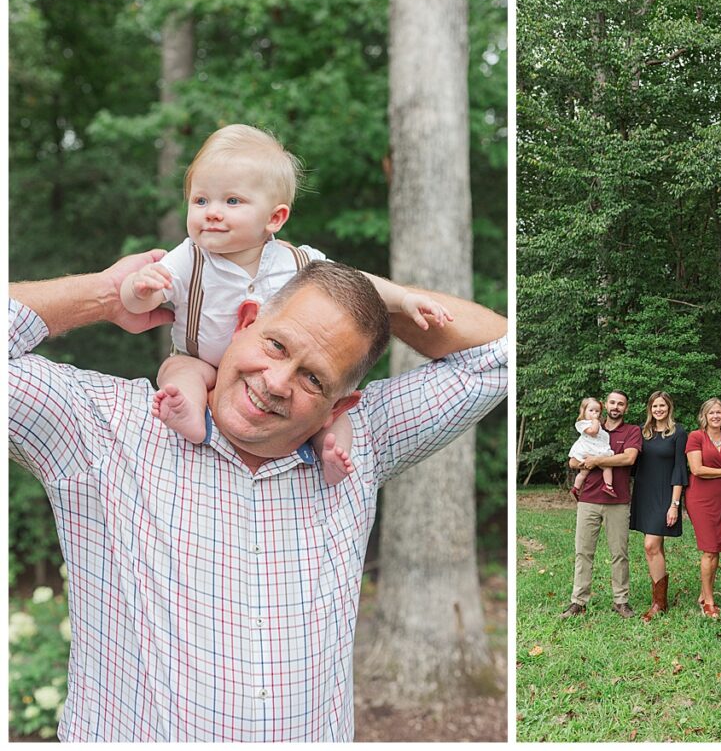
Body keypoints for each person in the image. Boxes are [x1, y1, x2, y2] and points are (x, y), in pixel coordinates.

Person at [9, 253, 508, 742]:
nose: (275, 383)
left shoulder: (359, 443)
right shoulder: (104, 427)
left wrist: (366, 292)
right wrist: (106, 296)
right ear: (243, 320)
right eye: (275, 345)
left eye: (314, 378)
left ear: (342, 404)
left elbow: (496, 358)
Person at [119, 124, 451, 485]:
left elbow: (357, 284)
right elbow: (138, 305)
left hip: (271, 374)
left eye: (232, 201)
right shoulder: (189, 258)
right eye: (200, 200)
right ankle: (190, 416)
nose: (212, 212)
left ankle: (333, 453)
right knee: (178, 374)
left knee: (335, 414)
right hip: (200, 359)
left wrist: (404, 299)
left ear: (275, 218)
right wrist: (140, 290)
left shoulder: (296, 261)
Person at [561, 391, 642, 619]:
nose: (616, 407)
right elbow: (574, 460)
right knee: (583, 552)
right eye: (613, 402)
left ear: (625, 408)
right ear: (606, 405)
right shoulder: (590, 429)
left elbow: (628, 458)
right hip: (588, 499)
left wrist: (596, 460)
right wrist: (590, 461)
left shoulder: (631, 431)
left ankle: (621, 600)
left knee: (619, 553)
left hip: (618, 501)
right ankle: (578, 601)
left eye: (621, 404)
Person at [629, 391, 688, 622]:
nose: (658, 410)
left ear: (669, 408)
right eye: (655, 406)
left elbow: (679, 469)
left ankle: (658, 603)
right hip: (644, 494)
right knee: (656, 548)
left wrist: (675, 504)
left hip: (665, 495)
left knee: (650, 545)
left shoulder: (678, 432)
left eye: (662, 406)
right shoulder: (643, 433)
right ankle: (660, 599)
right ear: (650, 409)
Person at [684, 397, 721, 619]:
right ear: (704, 416)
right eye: (711, 413)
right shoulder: (696, 437)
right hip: (700, 497)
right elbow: (697, 469)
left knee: (716, 547)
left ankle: (703, 592)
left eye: (719, 412)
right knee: (709, 548)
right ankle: (708, 601)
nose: (715, 416)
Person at [568, 397, 616, 498]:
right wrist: (595, 420)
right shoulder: (583, 424)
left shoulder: (597, 424)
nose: (594, 413)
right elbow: (593, 432)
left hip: (594, 450)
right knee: (607, 467)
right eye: (591, 410)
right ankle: (608, 486)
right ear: (583, 411)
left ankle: (576, 488)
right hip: (588, 449)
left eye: (597, 411)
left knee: (584, 472)